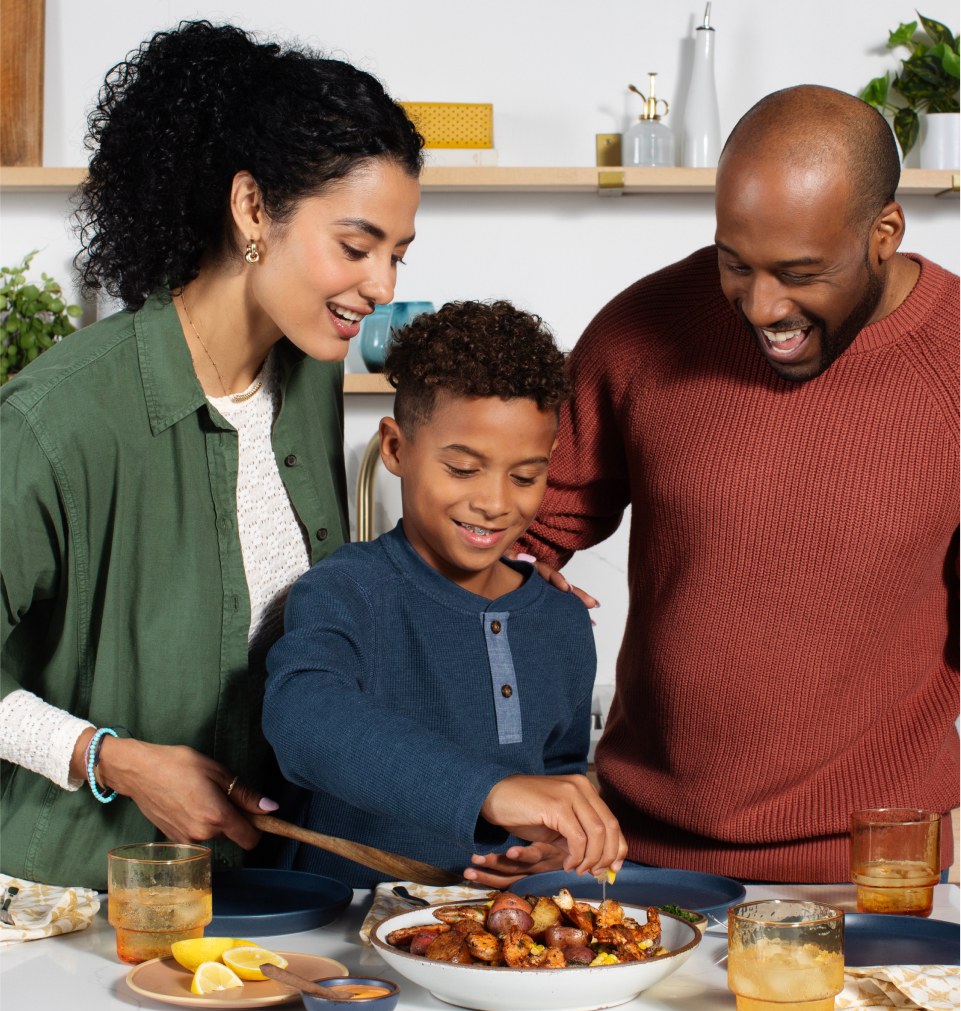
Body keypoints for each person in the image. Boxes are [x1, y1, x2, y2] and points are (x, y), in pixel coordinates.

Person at [0, 20, 423, 889]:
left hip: (268, 892)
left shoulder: (308, 377)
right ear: (251, 209)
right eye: (355, 246)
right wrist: (111, 759)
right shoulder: (59, 418)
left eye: (396, 253)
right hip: (85, 903)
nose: (382, 285)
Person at [519, 85, 959, 883]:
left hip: (875, 869)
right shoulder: (641, 328)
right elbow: (518, 534)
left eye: (800, 272)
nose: (761, 307)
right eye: (734, 263)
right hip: (635, 850)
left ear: (884, 233)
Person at [262, 300, 627, 888]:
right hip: (343, 940)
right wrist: (488, 792)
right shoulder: (344, 590)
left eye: (525, 476)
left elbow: (557, 776)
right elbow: (303, 719)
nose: (495, 501)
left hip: (498, 947)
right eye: (462, 469)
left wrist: (555, 849)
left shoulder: (562, 620)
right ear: (396, 449)